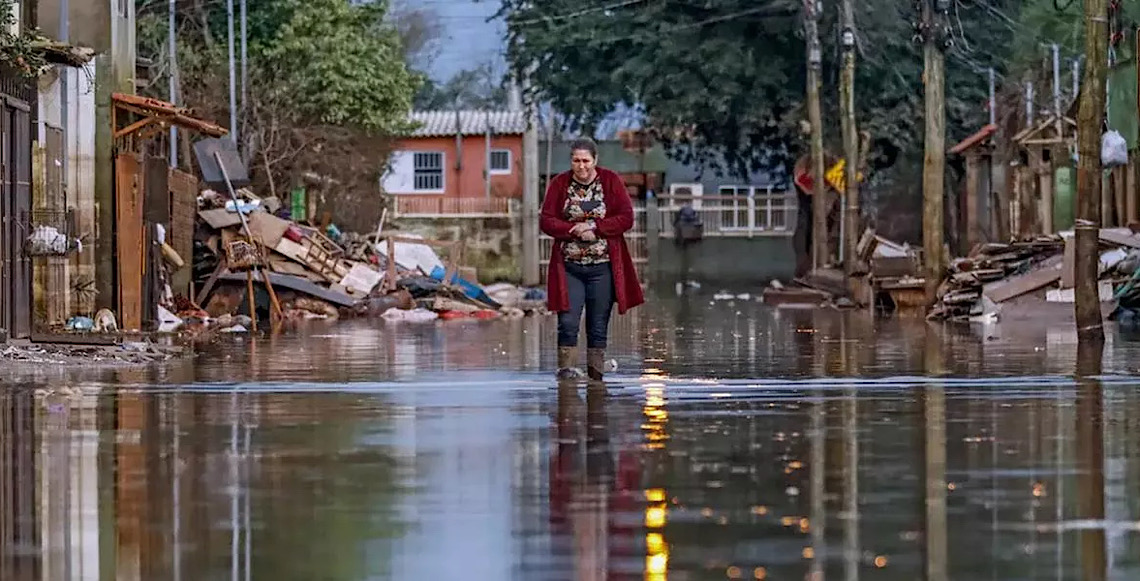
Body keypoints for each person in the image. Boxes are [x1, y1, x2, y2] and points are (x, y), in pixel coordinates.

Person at [541, 137, 645, 380]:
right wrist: (572, 229)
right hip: (569, 267)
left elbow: (626, 217)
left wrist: (595, 228)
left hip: (603, 267)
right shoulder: (559, 184)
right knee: (567, 321)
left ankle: (596, 376)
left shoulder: (611, 181)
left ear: (595, 160)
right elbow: (546, 219)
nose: (581, 166)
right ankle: (566, 373)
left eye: (586, 160)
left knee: (597, 325)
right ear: (571, 161)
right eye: (576, 160)